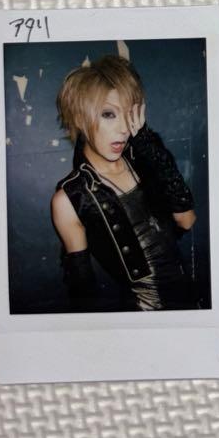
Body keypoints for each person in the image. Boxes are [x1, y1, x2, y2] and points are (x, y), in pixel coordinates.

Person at [51, 56, 199, 311]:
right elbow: (83, 291)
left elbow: (186, 220)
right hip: (147, 317)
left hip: (192, 306)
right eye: (109, 114)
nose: (123, 129)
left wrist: (152, 150)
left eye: (128, 114)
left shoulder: (144, 160)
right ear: (79, 118)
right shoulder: (71, 198)